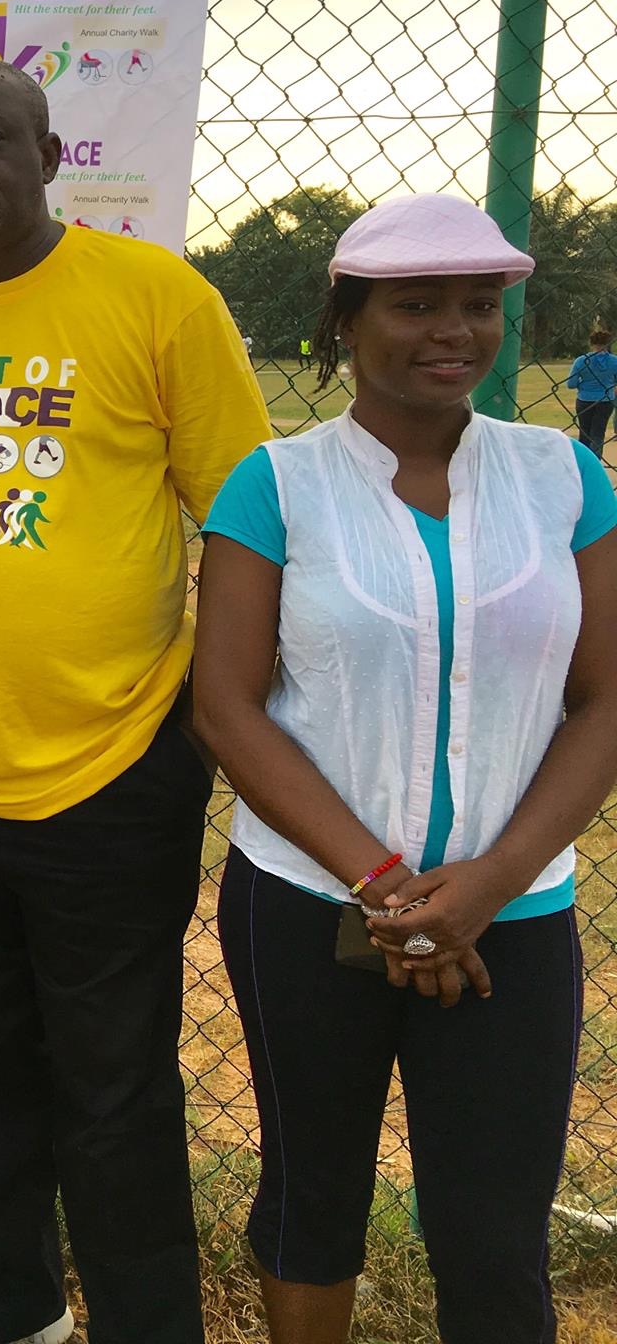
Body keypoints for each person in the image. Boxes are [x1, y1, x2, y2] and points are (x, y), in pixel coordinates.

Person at [0, 57, 273, 1344]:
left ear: (47, 156)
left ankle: (143, 1318)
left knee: (111, 1073)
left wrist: (210, 705)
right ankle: (5, 1291)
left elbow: (246, 519)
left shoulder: (155, 297)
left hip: (112, 756)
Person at [193, 195, 617, 1344]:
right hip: (312, 905)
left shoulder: (562, 479)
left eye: (478, 304)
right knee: (311, 1195)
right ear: (345, 320)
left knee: (492, 1229)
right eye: (415, 304)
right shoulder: (276, 484)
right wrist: (383, 885)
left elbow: (601, 700)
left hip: (509, 916)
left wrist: (484, 887)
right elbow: (224, 706)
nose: (453, 331)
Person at [564, 323, 617, 462]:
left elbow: (571, 384)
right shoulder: (614, 362)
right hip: (606, 400)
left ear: (591, 344)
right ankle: (595, 463)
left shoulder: (581, 361)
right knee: (598, 434)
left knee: (584, 433)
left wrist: (583, 384)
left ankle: (583, 463)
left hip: (584, 399)